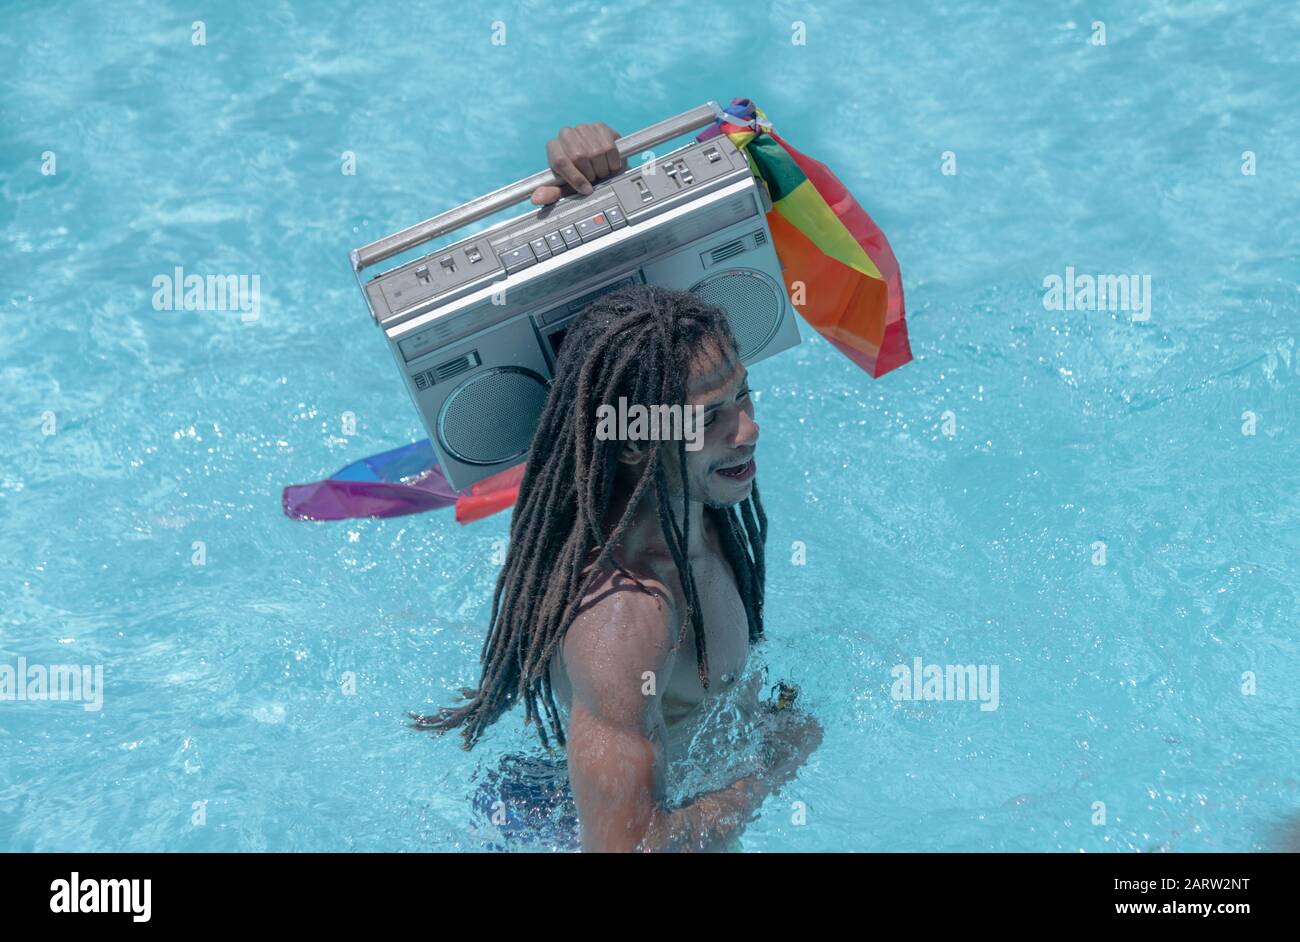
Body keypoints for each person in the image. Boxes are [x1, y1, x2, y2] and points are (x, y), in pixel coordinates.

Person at [415, 122, 822, 852]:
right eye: (711, 418)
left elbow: (607, 322)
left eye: (745, 398)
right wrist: (767, 768)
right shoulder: (624, 620)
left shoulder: (692, 496)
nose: (749, 431)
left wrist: (598, 178)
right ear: (636, 436)